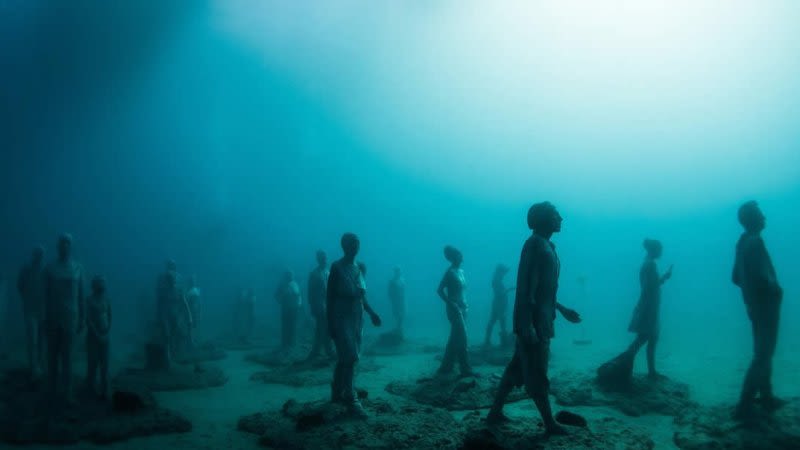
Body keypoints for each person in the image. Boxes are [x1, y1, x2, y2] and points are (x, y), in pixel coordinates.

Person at [487, 202, 582, 435]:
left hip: (542, 318)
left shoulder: (547, 245)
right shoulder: (534, 245)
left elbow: (543, 291)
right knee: (537, 370)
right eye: (555, 215)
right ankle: (549, 423)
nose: (561, 218)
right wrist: (526, 323)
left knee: (517, 367)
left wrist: (561, 309)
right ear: (543, 220)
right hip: (533, 323)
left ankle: (494, 412)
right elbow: (525, 288)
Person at [732, 201, 785, 420]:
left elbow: (735, 277)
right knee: (763, 354)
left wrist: (750, 295)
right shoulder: (755, 242)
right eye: (761, 214)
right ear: (754, 219)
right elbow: (764, 277)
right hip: (766, 306)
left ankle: (766, 397)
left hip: (753, 306)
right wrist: (775, 290)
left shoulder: (742, 242)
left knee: (763, 352)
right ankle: (744, 406)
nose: (765, 218)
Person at [327, 233, 381, 418]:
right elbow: (330, 297)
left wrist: (372, 312)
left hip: (357, 317)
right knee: (351, 356)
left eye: (358, 244)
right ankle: (351, 398)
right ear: (344, 246)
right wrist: (330, 324)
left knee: (346, 357)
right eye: (352, 244)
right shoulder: (336, 267)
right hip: (341, 315)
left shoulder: (359, 267)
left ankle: (336, 392)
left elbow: (361, 296)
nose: (356, 247)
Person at [44, 233, 86, 404]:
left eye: (67, 243)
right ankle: (52, 391)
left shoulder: (78, 268)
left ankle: (68, 392)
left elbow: (82, 294)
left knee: (68, 356)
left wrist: (82, 317)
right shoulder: (49, 268)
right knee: (52, 356)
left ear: (71, 246)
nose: (64, 246)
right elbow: (45, 295)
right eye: (62, 243)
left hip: (71, 317)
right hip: (53, 316)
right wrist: (43, 318)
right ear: (57, 246)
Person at [626, 239, 672, 377]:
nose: (662, 252)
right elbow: (649, 288)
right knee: (644, 338)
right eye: (660, 249)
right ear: (654, 250)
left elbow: (650, 285)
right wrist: (664, 277)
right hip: (648, 308)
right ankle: (625, 364)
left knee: (651, 338)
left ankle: (650, 370)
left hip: (650, 307)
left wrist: (663, 278)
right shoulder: (650, 265)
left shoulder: (648, 263)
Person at [436, 245, 474, 377]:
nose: (462, 257)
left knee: (455, 338)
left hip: (463, 308)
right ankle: (466, 370)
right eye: (459, 255)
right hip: (454, 310)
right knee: (463, 338)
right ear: (452, 257)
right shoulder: (450, 272)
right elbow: (439, 290)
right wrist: (451, 303)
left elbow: (462, 291)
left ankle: (446, 367)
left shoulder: (461, 272)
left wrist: (464, 305)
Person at [17, 245, 47, 378]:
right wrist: (27, 300)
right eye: (37, 253)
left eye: (41, 254)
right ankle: (33, 367)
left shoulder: (45, 271)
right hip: (30, 309)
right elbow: (20, 286)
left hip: (42, 310)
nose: (39, 256)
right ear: (34, 255)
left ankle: (40, 364)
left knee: (40, 339)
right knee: (33, 339)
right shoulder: (26, 269)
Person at [86, 275, 112, 399]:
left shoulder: (106, 300)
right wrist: (97, 335)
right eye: (100, 284)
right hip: (93, 338)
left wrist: (107, 332)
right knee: (93, 363)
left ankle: (104, 390)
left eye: (103, 284)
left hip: (105, 337)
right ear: (94, 286)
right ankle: (90, 389)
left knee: (105, 365)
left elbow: (110, 316)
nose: (102, 286)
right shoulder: (89, 300)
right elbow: (89, 320)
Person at [157, 270, 191, 362]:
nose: (172, 281)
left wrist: (189, 318)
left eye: (173, 280)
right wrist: (161, 318)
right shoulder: (163, 292)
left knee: (179, 335)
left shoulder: (178, 290)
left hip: (176, 317)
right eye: (170, 280)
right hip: (166, 317)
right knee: (167, 337)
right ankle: (168, 358)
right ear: (167, 281)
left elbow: (185, 304)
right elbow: (160, 306)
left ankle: (177, 355)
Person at [307, 251, 334, 359]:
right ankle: (322, 350)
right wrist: (312, 306)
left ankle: (320, 350)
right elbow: (310, 292)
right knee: (321, 327)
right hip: (319, 304)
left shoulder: (328, 272)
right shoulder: (314, 274)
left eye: (325, 257)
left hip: (328, 304)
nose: (325, 260)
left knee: (326, 328)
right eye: (323, 258)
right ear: (319, 259)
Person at [484, 264, 514, 348]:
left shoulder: (497, 280)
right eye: (503, 272)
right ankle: (502, 343)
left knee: (494, 321)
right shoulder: (496, 281)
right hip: (499, 304)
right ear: (500, 272)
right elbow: (499, 293)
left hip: (498, 303)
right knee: (501, 322)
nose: (504, 274)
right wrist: (509, 289)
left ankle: (487, 340)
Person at [275, 270, 302, 349]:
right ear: (286, 275)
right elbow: (276, 295)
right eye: (289, 274)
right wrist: (281, 301)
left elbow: (299, 295)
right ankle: (284, 343)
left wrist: (299, 304)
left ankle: (292, 343)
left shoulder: (295, 284)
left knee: (293, 326)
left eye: (291, 274)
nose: (290, 276)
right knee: (285, 326)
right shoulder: (282, 284)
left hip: (294, 309)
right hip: (285, 309)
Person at [388, 266, 406, 335]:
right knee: (396, 313)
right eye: (397, 271)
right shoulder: (392, 281)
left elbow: (403, 290)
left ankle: (399, 328)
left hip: (401, 300)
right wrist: (392, 300)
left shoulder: (403, 280)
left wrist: (403, 299)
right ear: (395, 272)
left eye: (399, 271)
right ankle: (398, 328)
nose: (399, 272)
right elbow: (389, 292)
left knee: (402, 313)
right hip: (395, 300)